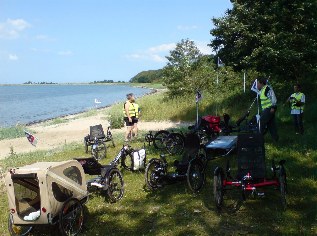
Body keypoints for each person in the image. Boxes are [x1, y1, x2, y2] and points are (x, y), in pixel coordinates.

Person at [257, 77, 279, 142]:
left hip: (269, 108)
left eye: (258, 83)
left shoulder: (268, 88)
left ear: (261, 83)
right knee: (271, 124)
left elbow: (273, 98)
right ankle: (275, 139)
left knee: (261, 122)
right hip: (266, 109)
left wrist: (273, 107)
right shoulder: (262, 89)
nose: (257, 85)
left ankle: (259, 139)